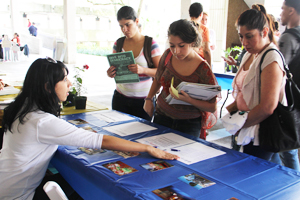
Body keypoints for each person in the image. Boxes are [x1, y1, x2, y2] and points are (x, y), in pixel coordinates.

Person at [0, 57, 178, 199]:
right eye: (64, 79)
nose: (69, 83)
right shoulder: (41, 121)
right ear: (48, 87)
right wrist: (147, 148)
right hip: (17, 195)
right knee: (85, 182)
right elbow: (101, 140)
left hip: (6, 183)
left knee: (75, 178)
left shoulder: (23, 107)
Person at [226, 4, 285, 162]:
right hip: (248, 128)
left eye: (249, 36)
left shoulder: (271, 58)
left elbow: (267, 107)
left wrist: (240, 124)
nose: (244, 42)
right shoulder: (249, 54)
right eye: (241, 36)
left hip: (262, 132)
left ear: (264, 32)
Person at [143, 19, 219, 139]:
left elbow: (211, 106)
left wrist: (189, 100)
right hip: (162, 116)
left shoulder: (203, 68)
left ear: (192, 42)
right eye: (172, 45)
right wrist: (148, 98)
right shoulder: (168, 55)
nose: (176, 51)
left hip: (188, 124)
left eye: (181, 46)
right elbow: (158, 78)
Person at [106, 6, 161, 121]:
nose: (124, 29)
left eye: (127, 25)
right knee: (118, 134)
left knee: (140, 137)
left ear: (137, 21)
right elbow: (114, 69)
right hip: (120, 98)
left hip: (143, 100)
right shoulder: (118, 44)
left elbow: (161, 73)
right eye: (121, 26)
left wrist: (143, 70)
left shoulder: (150, 44)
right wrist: (110, 73)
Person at [270, 0, 300, 171]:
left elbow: (278, 73)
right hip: (298, 99)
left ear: (291, 11)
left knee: (287, 150)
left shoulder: (288, 37)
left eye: (282, 9)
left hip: (287, 102)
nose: (280, 13)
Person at [189, 2, 211, 67]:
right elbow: (206, 50)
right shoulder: (204, 29)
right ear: (201, 14)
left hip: (185, 61)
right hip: (199, 63)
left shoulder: (183, 26)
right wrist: (209, 68)